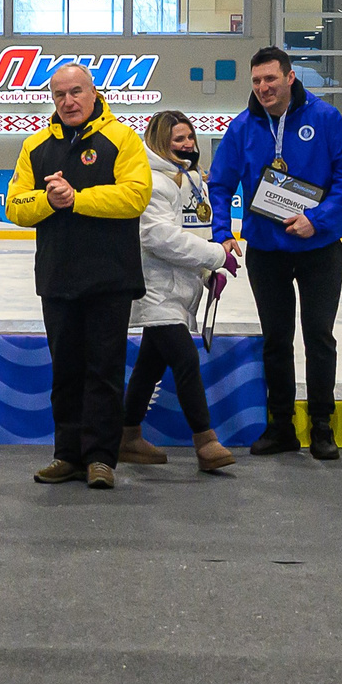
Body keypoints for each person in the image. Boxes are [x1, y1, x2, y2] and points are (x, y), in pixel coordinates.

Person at [208, 45, 342, 461]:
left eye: (271, 79)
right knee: (276, 341)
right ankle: (281, 426)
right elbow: (220, 185)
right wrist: (222, 232)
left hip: (319, 249)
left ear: (290, 77)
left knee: (319, 338)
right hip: (266, 252)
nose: (263, 87)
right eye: (257, 81)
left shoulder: (325, 118)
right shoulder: (242, 128)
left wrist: (319, 218)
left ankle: (321, 426)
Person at [7, 61, 151, 488]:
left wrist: (76, 198)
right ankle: (67, 454)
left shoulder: (121, 138)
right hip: (58, 277)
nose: (68, 102)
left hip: (110, 277)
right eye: (59, 95)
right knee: (65, 369)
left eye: (75, 92)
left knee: (104, 370)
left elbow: (135, 196)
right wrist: (49, 201)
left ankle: (102, 458)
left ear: (93, 92)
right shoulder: (35, 147)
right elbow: (15, 207)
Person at [120, 110, 238, 474]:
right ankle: (205, 441)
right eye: (178, 140)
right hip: (156, 290)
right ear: (159, 142)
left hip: (180, 290)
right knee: (184, 360)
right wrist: (216, 256)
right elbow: (159, 238)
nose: (188, 146)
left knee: (149, 366)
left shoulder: (188, 179)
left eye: (190, 138)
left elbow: (193, 233)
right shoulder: (153, 183)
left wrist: (204, 273)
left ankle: (127, 436)